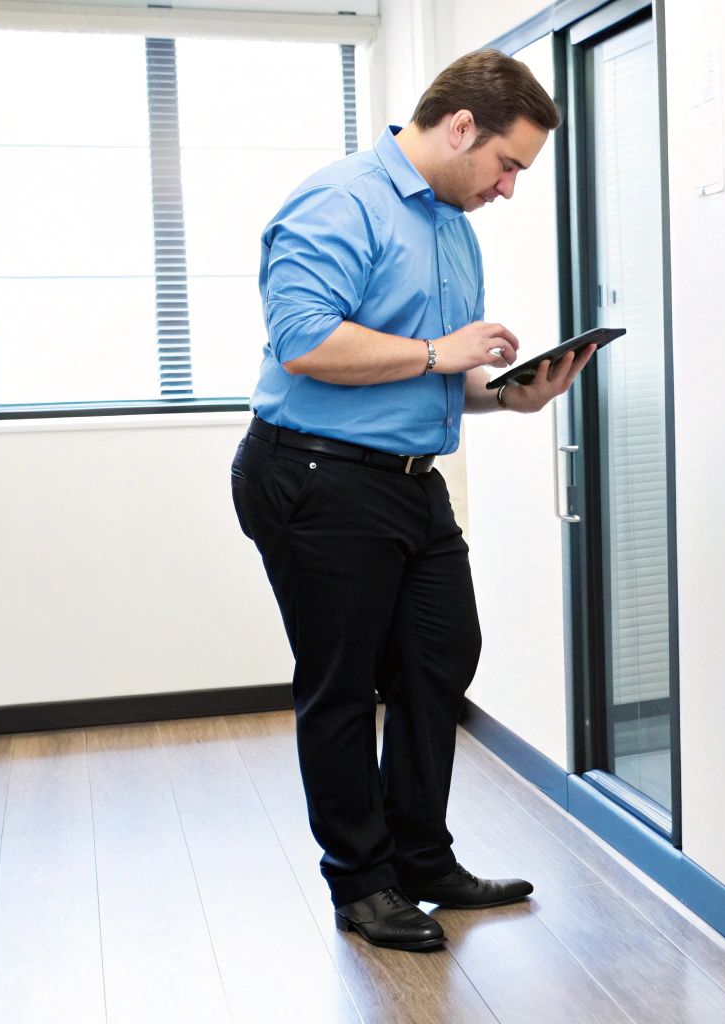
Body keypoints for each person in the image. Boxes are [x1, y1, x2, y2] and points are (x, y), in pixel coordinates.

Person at [230, 49, 593, 952]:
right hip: (314, 476)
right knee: (342, 684)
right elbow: (305, 341)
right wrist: (439, 354)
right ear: (461, 126)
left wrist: (509, 395)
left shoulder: (452, 226)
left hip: (406, 481)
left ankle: (422, 859)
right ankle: (362, 884)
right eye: (507, 164)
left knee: (441, 656)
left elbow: (430, 373)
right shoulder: (340, 202)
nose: (508, 188)